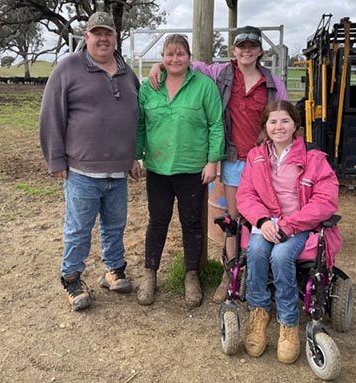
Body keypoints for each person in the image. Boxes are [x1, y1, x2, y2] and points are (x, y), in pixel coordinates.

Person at [149, 26, 288, 303]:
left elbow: (283, 118)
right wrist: (158, 65)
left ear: (260, 50)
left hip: (264, 160)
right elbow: (184, 63)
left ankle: (268, 273)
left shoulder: (273, 83)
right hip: (234, 159)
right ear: (233, 51)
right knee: (235, 221)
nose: (246, 51)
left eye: (252, 46)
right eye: (241, 47)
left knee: (270, 216)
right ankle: (230, 275)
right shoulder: (220, 74)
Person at [39, 11, 142, 311]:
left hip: (119, 170)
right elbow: (50, 116)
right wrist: (55, 159)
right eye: (96, 33)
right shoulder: (68, 68)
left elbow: (137, 115)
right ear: (87, 37)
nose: (103, 38)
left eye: (108, 33)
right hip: (82, 169)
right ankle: (71, 279)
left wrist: (133, 154)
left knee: (115, 224)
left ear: (115, 37)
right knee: (79, 227)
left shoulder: (126, 71)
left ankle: (113, 270)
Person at [236, 100, 340, 363]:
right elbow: (246, 194)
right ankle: (258, 314)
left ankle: (288, 323)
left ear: (295, 125)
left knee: (281, 257)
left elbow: (325, 200)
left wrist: (289, 224)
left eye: (285, 121)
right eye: (273, 121)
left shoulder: (313, 158)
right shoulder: (256, 156)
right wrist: (262, 221)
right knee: (257, 251)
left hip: (299, 223)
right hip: (267, 223)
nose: (279, 126)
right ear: (265, 126)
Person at [135, 34, 226, 308]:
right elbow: (140, 125)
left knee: (191, 222)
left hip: (191, 168)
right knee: (157, 221)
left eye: (180, 54)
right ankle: (150, 273)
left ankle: (191, 276)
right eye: (169, 54)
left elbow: (216, 124)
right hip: (158, 168)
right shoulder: (149, 87)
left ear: (189, 57)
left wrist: (212, 161)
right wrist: (136, 157)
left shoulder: (204, 86)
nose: (175, 59)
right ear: (162, 57)